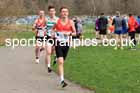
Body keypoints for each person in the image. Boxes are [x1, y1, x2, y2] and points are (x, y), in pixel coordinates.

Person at [53, 6, 76, 88]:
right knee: (61, 61)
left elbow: (75, 33)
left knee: (63, 61)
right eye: (63, 11)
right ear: (60, 13)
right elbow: (53, 30)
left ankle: (56, 58)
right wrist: (54, 34)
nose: (64, 13)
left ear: (68, 13)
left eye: (66, 11)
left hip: (66, 44)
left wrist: (69, 34)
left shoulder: (71, 22)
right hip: (58, 43)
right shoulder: (57, 21)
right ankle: (62, 80)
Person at [45, 5, 58, 73]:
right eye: (51, 11)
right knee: (49, 52)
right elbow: (44, 28)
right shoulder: (46, 20)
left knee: (52, 51)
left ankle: (55, 57)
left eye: (53, 11)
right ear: (49, 12)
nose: (52, 12)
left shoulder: (57, 19)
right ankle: (49, 67)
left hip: (56, 38)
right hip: (48, 37)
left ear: (55, 12)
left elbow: (60, 29)